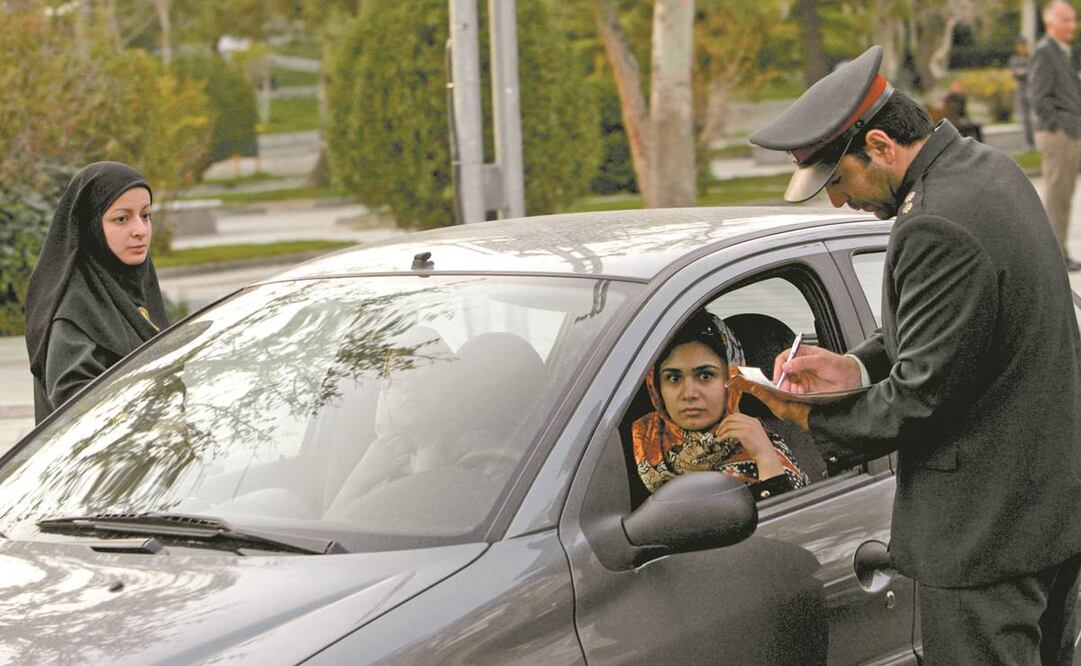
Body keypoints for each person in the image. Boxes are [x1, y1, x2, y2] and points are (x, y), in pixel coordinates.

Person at [744, 45, 1081, 664]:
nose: (839, 202)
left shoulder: (934, 224)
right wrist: (858, 365)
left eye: (838, 180)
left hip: (985, 539)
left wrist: (803, 415)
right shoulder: (990, 171)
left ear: (879, 144)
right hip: (1046, 518)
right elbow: (968, 330)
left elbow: (920, 398)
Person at [24, 161, 167, 423]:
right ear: (90, 226)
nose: (140, 230)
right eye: (121, 219)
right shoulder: (75, 311)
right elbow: (76, 405)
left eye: (145, 215)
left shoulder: (133, 287)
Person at [631, 309, 809, 502]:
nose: (689, 393)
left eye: (705, 375)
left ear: (731, 379)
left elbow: (790, 528)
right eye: (673, 378)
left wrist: (765, 459)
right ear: (656, 386)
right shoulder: (632, 443)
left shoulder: (762, 446)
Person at [1030, 0, 1081, 272]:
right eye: (1066, 20)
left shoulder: (1061, 52)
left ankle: (1060, 252)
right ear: (1050, 22)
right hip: (1057, 135)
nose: (1071, 25)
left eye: (1073, 19)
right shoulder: (1045, 52)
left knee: (1064, 197)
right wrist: (1060, 127)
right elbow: (1039, 98)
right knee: (1056, 198)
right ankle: (1055, 258)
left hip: (1068, 133)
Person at [1009, 37, 1035, 147]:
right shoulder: (1015, 59)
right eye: (1020, 46)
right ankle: (1030, 143)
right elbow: (1016, 73)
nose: (1022, 48)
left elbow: (1033, 73)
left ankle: (1037, 140)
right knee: (1025, 119)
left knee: (1037, 118)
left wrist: (1023, 72)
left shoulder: (1032, 58)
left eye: (1024, 46)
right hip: (1022, 92)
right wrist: (1025, 72)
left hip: (1033, 91)